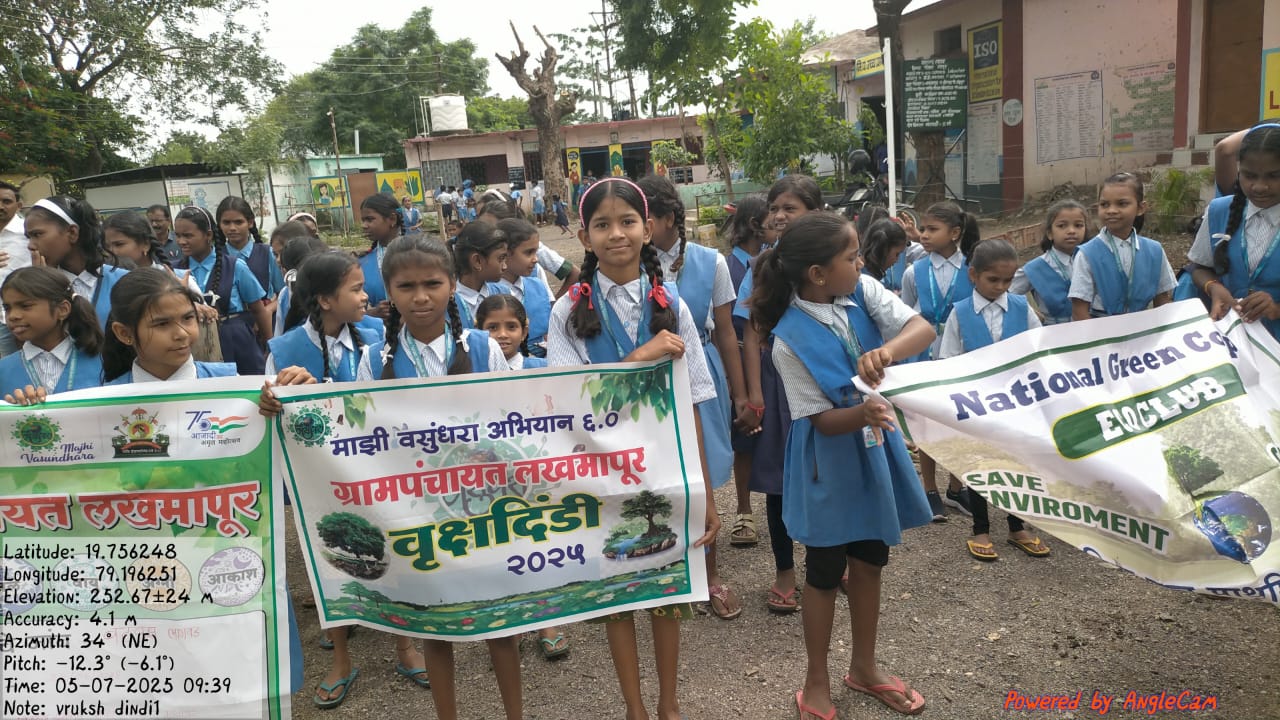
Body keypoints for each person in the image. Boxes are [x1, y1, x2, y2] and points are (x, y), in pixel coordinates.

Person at [749, 211, 934, 720]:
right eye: (851, 258)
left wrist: (887, 352)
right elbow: (822, 422)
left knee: (870, 560)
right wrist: (865, 413)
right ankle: (816, 680)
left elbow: (922, 328)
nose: (861, 264)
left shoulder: (864, 292)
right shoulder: (787, 340)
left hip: (873, 452)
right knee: (825, 572)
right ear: (817, 274)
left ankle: (865, 667)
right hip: (826, 465)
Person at [547, 177, 719, 720]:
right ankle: (634, 707)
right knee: (617, 596)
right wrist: (640, 356)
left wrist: (706, 493)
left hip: (664, 472)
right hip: (599, 477)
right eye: (602, 224)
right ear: (584, 236)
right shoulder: (566, 312)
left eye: (627, 222)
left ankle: (668, 703)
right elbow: (567, 403)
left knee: (666, 591)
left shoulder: (673, 304)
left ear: (648, 230)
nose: (616, 233)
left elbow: (693, 403)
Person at [352, 235, 517, 720]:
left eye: (432, 284)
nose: (420, 297)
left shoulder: (484, 347)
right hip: (416, 513)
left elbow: (512, 418)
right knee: (435, 629)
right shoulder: (372, 361)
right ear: (389, 291)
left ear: (451, 285)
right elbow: (358, 435)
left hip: (484, 507)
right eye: (406, 286)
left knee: (500, 626)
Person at [639, 173, 746, 620]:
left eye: (642, 217)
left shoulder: (709, 262)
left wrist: (741, 393)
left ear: (666, 219)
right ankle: (661, 567)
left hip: (700, 370)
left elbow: (726, 332)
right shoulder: (629, 264)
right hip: (646, 379)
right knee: (652, 473)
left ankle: (709, 573)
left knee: (700, 473)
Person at [735, 175, 824, 613]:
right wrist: (755, 394)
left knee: (827, 474)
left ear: (817, 213)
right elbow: (752, 332)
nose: (780, 215)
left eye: (791, 207)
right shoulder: (762, 266)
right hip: (777, 383)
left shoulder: (833, 261)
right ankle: (785, 571)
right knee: (779, 482)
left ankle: (829, 562)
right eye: (775, 208)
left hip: (822, 379)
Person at [939, 238, 1051, 560]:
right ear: (973, 275)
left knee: (1018, 465)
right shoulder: (960, 313)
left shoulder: (1022, 308)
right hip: (977, 405)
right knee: (979, 466)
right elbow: (948, 359)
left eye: (1007, 280)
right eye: (993, 279)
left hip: (1018, 404)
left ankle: (1017, 526)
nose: (1001, 287)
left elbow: (1038, 349)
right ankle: (981, 529)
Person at [900, 201, 979, 521]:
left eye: (932, 229)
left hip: (962, 353)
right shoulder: (914, 271)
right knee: (927, 421)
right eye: (923, 229)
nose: (924, 235)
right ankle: (929, 488)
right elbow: (906, 315)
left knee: (962, 419)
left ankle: (957, 487)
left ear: (955, 233)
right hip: (925, 354)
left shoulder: (972, 269)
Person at [1186, 123, 1280, 340]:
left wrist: (1276, 308)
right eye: (1249, 175)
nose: (1259, 186)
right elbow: (1199, 267)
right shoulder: (1220, 210)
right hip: (1229, 336)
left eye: (1273, 176)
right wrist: (1213, 287)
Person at [720, 192, 768, 548]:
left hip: (772, 360)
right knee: (744, 438)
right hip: (735, 361)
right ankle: (744, 509)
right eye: (771, 216)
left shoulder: (773, 263)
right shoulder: (726, 268)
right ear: (754, 225)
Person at [173, 205, 272, 375]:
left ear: (208, 235)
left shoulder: (235, 266)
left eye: (188, 236)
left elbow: (258, 309)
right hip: (193, 345)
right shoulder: (173, 271)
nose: (182, 241)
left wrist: (269, 346)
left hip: (237, 341)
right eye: (178, 235)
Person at [1069, 172, 1176, 320]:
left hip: (1143, 326)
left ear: (1141, 208)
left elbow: (1162, 299)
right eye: (1104, 204)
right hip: (1101, 327)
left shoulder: (1154, 250)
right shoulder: (1087, 254)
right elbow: (1079, 310)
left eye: (1122, 204)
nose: (1111, 210)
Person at [25, 195, 128, 332]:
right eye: (28, 237)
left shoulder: (123, 280)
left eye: (37, 234)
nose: (30, 246)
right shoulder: (31, 287)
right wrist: (42, 288)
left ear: (72, 233)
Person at [0, 266, 105, 401]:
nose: (13, 316)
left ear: (62, 309)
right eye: (7, 308)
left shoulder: (102, 361)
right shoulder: (3, 370)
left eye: (25, 306)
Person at [1011, 200, 1088, 325]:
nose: (1071, 231)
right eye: (1062, 226)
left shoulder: (1090, 260)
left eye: (1078, 225)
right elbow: (1004, 293)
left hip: (1090, 329)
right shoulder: (1035, 268)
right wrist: (1029, 312)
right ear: (1050, 233)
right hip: (1053, 332)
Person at [496, 218, 552, 356]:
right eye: (528, 253)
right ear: (505, 254)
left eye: (536, 252)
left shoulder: (537, 286)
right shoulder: (490, 292)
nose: (535, 259)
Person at [216, 196, 286, 307]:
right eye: (226, 223)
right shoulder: (217, 257)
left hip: (266, 316)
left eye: (238, 222)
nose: (232, 228)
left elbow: (283, 293)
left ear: (250, 222)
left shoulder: (267, 253)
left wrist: (269, 310)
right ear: (220, 225)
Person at [451, 221, 510, 328]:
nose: (505, 266)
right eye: (501, 258)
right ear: (477, 261)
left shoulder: (503, 293)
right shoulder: (449, 303)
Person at [358, 193, 403, 322]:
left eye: (370, 219)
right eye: (363, 220)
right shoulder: (362, 263)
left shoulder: (419, 255)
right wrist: (370, 313)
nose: (364, 225)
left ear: (392, 219)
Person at [0, 180, 32, 357]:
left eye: (6, 201)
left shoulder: (28, 232)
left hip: (24, 313)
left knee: (28, 361)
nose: (1, 206)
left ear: (18, 205)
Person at [476, 294, 547, 370]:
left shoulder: (545, 368)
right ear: (479, 333)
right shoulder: (471, 371)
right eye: (493, 327)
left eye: (511, 327)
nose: (502, 334)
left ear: (524, 333)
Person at [104, 211, 172, 269]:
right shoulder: (104, 278)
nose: (111, 251)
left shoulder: (172, 277)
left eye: (119, 244)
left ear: (146, 244)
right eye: (106, 246)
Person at [858, 218, 910, 287]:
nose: (897, 261)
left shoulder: (879, 274)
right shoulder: (860, 279)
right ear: (882, 249)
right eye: (896, 254)